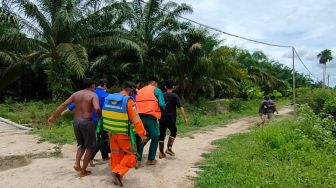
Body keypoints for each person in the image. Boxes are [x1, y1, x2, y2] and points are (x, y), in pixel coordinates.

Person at [48, 78, 100, 177]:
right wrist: (99, 114)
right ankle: (83, 171)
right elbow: (97, 108)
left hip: (76, 122)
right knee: (89, 147)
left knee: (81, 145)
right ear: (92, 85)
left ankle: (77, 163)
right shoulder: (93, 95)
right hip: (86, 122)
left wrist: (53, 116)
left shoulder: (75, 94)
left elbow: (64, 105)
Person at [102, 81, 147, 186]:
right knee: (132, 155)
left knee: (116, 155)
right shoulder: (128, 101)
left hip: (112, 133)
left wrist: (108, 131)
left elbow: (106, 115)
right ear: (130, 89)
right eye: (134, 90)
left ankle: (117, 177)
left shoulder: (109, 98)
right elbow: (136, 119)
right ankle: (117, 173)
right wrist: (142, 133)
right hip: (124, 134)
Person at [135, 76, 165, 167]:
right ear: (155, 83)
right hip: (150, 118)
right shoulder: (157, 90)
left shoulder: (140, 90)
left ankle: (138, 160)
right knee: (155, 137)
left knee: (142, 137)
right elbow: (162, 104)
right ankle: (151, 159)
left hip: (139, 118)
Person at [159, 80, 188, 159]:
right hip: (170, 118)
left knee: (161, 134)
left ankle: (161, 153)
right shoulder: (175, 96)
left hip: (161, 118)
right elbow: (180, 107)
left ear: (165, 87)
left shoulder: (161, 95)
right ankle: (169, 148)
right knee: (174, 132)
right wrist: (185, 117)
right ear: (173, 87)